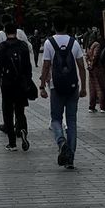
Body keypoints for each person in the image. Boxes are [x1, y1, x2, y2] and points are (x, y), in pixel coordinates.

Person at [40, 18, 86, 170]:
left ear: (53, 26)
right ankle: (70, 158)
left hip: (56, 87)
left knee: (56, 119)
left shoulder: (49, 43)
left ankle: (61, 142)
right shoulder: (74, 42)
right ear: (66, 26)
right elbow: (81, 67)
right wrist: (83, 87)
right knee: (72, 121)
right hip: (73, 87)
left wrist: (42, 86)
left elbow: (46, 66)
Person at [0, 21, 33, 152]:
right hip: (21, 83)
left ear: (5, 32)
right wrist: (28, 81)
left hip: (7, 83)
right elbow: (28, 67)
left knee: (8, 111)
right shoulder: (23, 45)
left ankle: (12, 143)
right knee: (20, 110)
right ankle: (22, 129)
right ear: (16, 32)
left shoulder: (3, 46)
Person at [86, 31, 105, 113]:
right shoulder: (97, 44)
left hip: (91, 69)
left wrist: (89, 65)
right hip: (97, 68)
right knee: (100, 87)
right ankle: (103, 106)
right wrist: (93, 64)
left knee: (92, 88)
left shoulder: (88, 45)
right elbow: (96, 56)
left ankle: (92, 106)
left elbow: (87, 56)